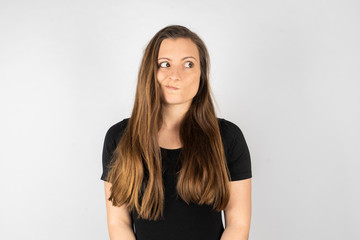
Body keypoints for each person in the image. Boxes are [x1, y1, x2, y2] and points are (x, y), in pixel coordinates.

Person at [101, 25, 252, 240]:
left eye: (188, 64)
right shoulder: (119, 138)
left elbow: (238, 224)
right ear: (150, 72)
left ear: (202, 74)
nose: (176, 75)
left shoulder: (228, 138)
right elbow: (118, 222)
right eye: (165, 64)